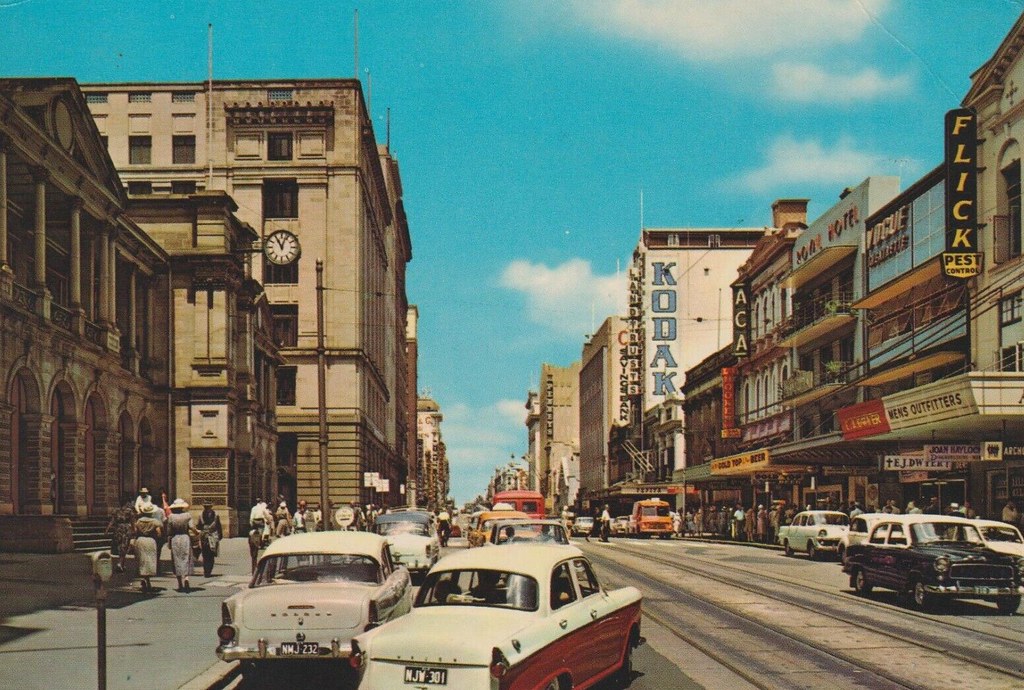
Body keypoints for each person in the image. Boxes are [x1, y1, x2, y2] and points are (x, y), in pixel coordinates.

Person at [166, 498, 195, 592]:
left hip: (175, 538)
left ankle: (180, 583)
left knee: (176, 559)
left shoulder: (171, 517)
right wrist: (197, 532)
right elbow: (192, 527)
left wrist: (169, 542)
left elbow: (169, 531)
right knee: (186, 557)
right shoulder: (187, 515)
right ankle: (186, 578)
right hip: (185, 537)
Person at [134, 502, 163, 592]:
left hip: (140, 540)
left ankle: (144, 578)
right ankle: (147, 580)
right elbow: (159, 533)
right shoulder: (154, 521)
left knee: (142, 559)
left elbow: (135, 532)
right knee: (149, 560)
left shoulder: (139, 521)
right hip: (150, 541)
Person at [105, 493, 136, 573]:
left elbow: (112, 521)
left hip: (118, 529)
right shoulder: (129, 511)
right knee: (124, 546)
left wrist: (107, 529)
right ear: (126, 503)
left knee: (120, 546)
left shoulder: (116, 510)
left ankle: (122, 564)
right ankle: (119, 563)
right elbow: (132, 521)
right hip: (126, 529)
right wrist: (134, 530)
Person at [197, 502, 223, 578]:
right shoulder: (201, 515)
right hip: (204, 536)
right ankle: (206, 571)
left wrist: (220, 535)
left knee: (211, 554)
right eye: (206, 507)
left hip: (213, 536)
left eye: (208, 507)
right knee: (205, 554)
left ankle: (209, 570)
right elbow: (198, 526)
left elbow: (218, 525)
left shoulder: (216, 515)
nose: (207, 508)